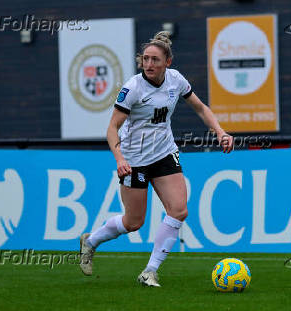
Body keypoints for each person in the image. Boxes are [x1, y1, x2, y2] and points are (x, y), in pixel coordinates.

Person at [79, 31, 233, 287]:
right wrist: (119, 159)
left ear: (167, 62)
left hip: (163, 153)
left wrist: (220, 131)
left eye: (155, 60)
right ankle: (91, 241)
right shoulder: (133, 88)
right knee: (133, 222)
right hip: (134, 159)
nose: (149, 64)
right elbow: (111, 128)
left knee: (179, 210)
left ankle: (150, 271)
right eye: (145, 59)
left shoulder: (175, 80)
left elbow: (200, 108)